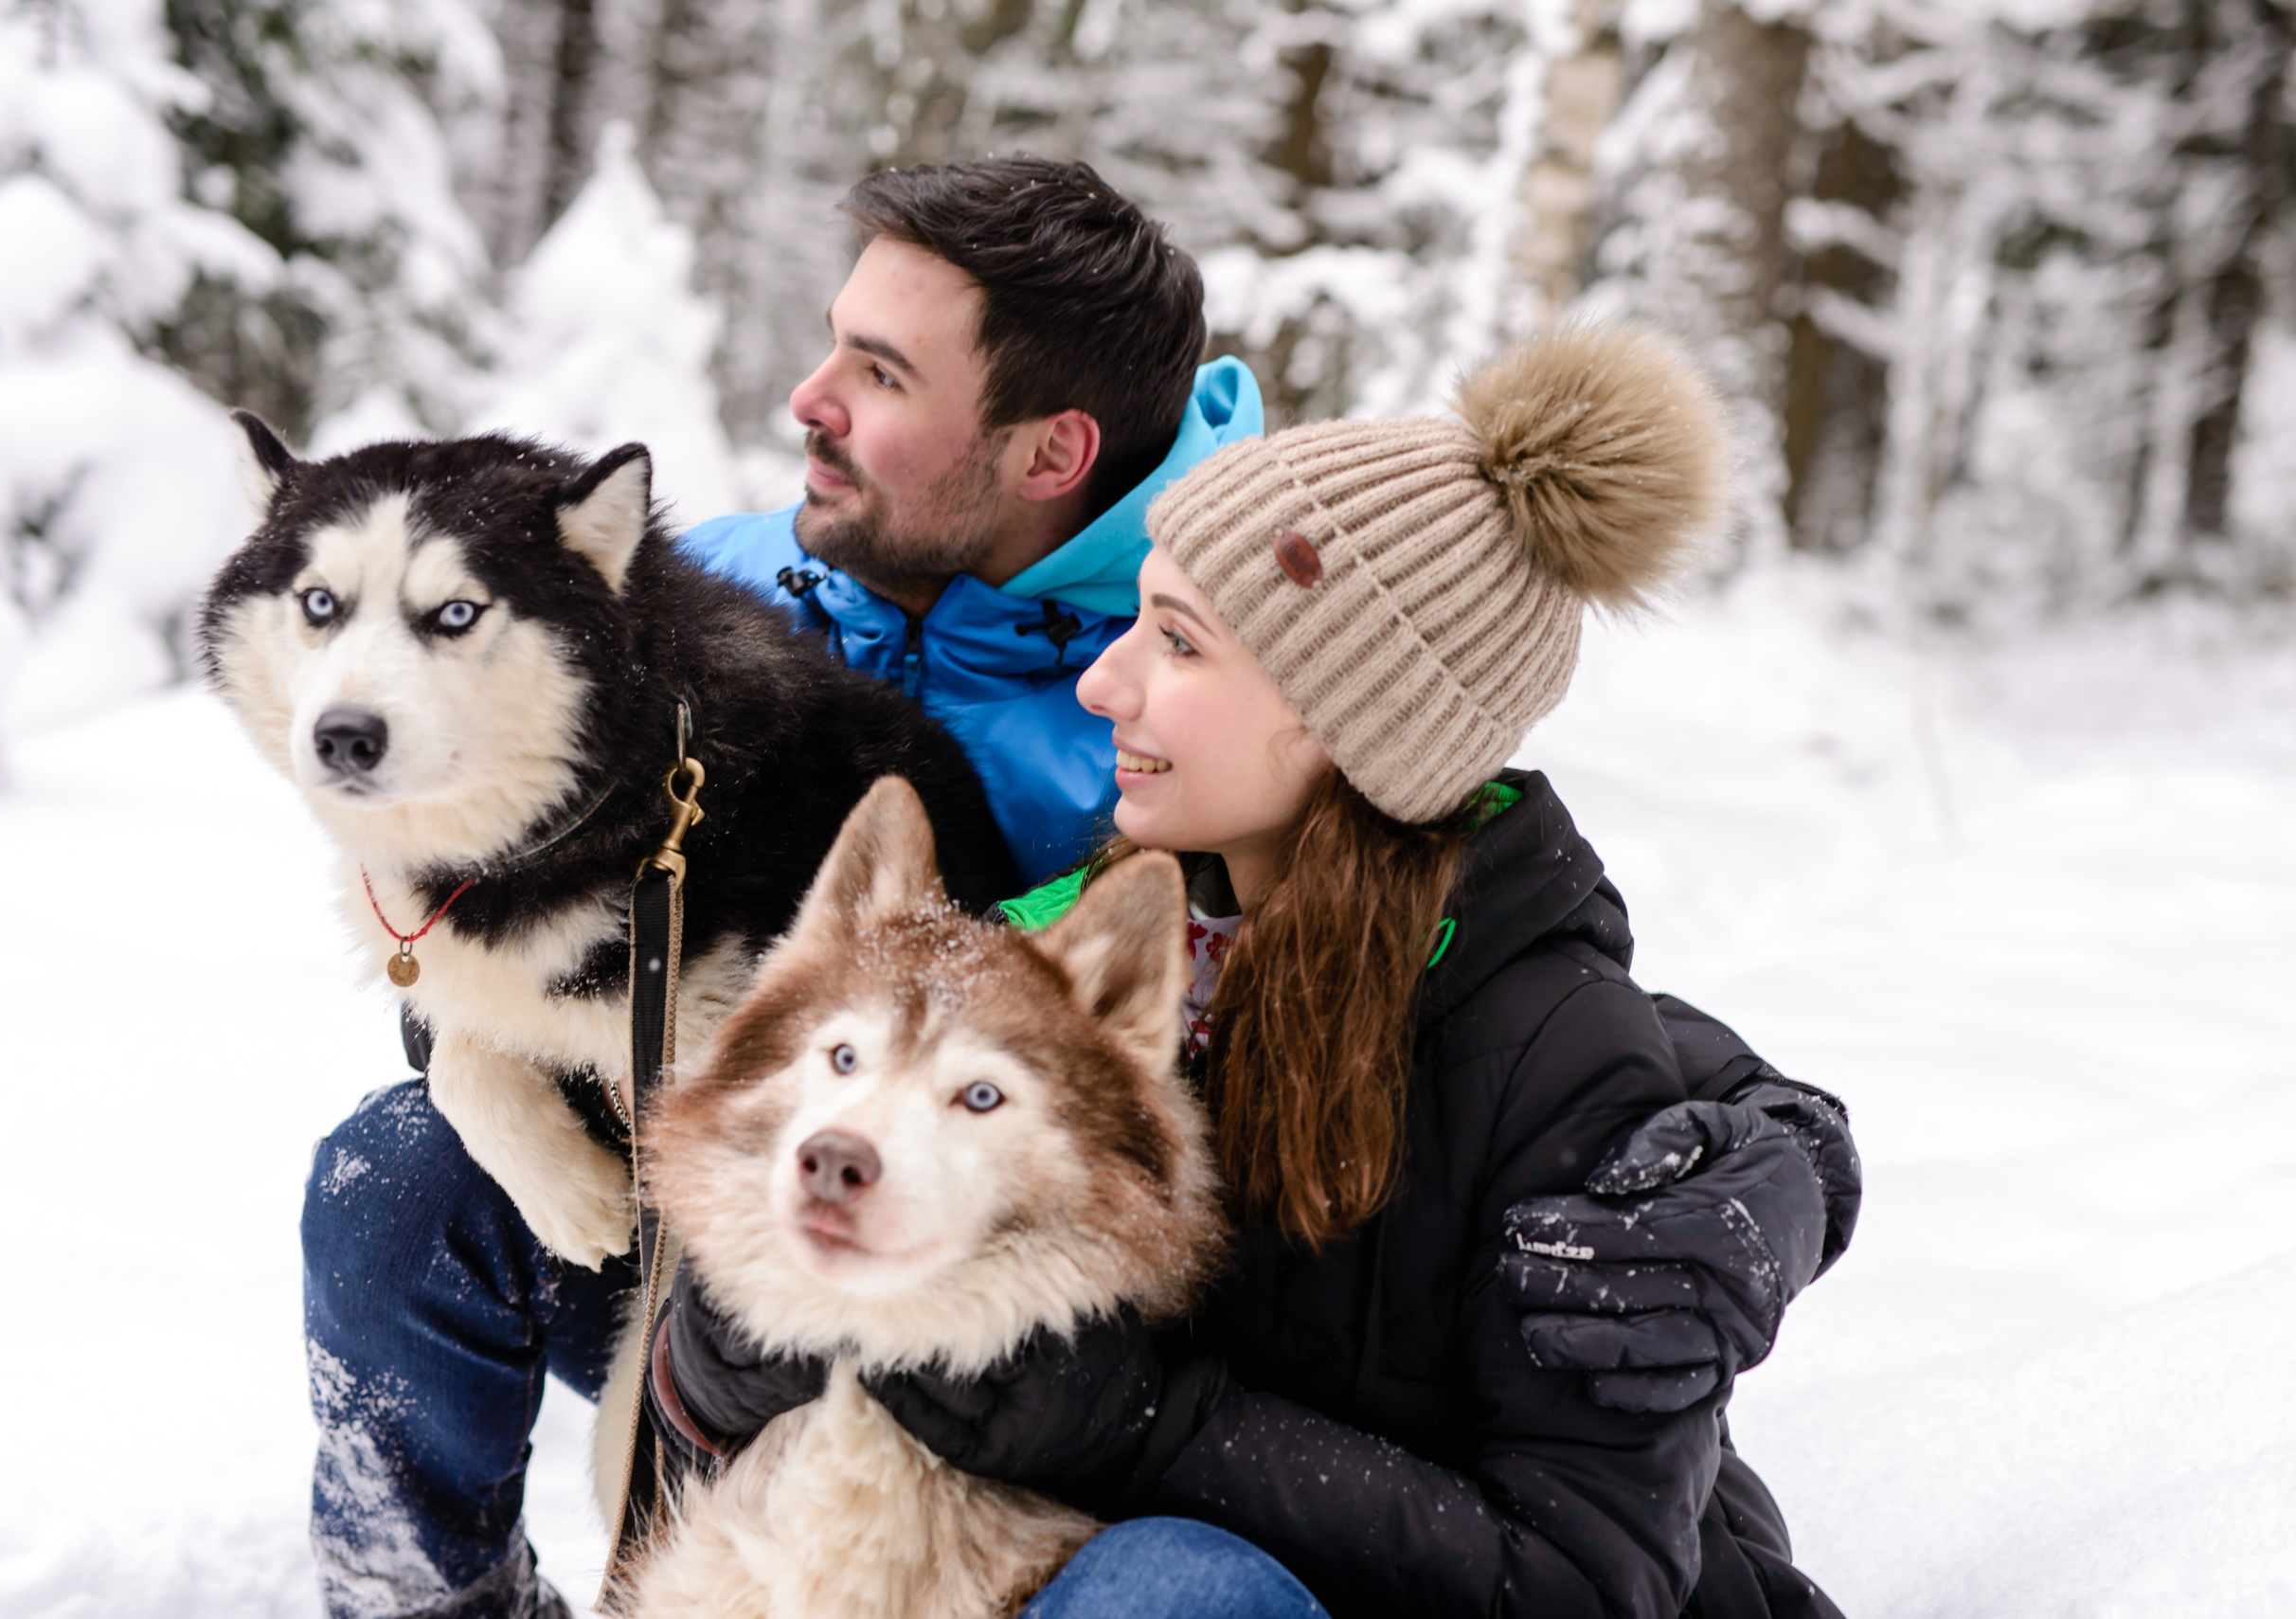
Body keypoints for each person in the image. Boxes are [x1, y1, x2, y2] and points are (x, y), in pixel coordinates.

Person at [305, 158, 1853, 1619]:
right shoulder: (715, 606)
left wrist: (1782, 1160)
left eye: (884, 372)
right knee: (409, 1175)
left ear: (1051, 456)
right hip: (938, 1329)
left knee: (1169, 1580)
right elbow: (490, 908)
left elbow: (1540, 1031)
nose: (809, 401)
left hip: (1184, 1474)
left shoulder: (1187, 771)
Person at [651, 324, 1854, 1617]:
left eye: (1176, 641)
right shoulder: (1101, 945)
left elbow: (1583, 1581)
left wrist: (1149, 1428)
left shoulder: (1553, 1060)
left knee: (1165, 1588)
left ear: (1351, 720)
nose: (1105, 681)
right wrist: (730, 1352)